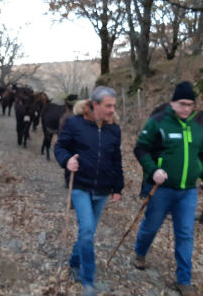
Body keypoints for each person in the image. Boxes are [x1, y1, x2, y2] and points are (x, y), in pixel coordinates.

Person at [133, 81, 203, 296]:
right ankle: (140, 252)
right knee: (151, 227)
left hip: (188, 191)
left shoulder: (197, 127)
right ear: (173, 102)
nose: (186, 108)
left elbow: (202, 158)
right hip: (161, 190)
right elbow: (140, 148)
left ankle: (183, 280)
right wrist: (153, 171)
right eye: (182, 103)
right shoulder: (158, 122)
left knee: (186, 233)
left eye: (190, 104)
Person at [54, 86, 124, 296]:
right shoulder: (75, 123)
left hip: (103, 189)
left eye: (114, 105)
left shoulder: (114, 128)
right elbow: (60, 147)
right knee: (86, 230)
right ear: (95, 105)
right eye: (108, 106)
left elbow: (116, 159)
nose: (112, 110)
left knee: (89, 232)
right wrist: (67, 160)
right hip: (80, 186)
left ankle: (74, 262)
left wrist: (118, 187)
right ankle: (88, 281)